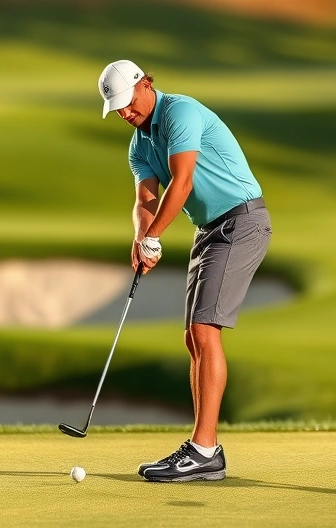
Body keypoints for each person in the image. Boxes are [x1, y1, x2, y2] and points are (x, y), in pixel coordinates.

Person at [98, 60, 271, 482]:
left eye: (127, 102)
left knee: (205, 331)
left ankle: (205, 450)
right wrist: (142, 237)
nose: (124, 113)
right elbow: (145, 200)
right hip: (210, 229)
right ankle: (203, 450)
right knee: (193, 337)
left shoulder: (180, 113)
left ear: (146, 85)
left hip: (241, 221)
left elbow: (183, 182)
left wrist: (155, 235)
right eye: (116, 108)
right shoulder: (139, 143)